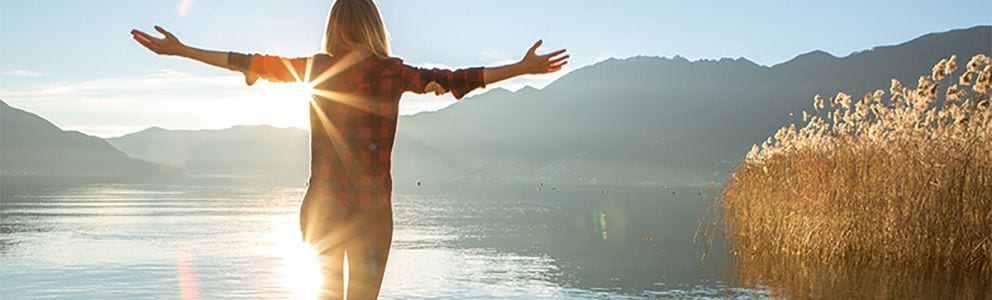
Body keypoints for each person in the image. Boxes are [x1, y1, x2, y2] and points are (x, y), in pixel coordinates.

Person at [131, 0, 568, 298]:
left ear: (333, 27)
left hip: (321, 207)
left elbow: (246, 61)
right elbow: (458, 79)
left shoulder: (315, 69)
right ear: (376, 27)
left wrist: (182, 51)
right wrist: (521, 68)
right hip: (373, 213)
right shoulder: (392, 72)